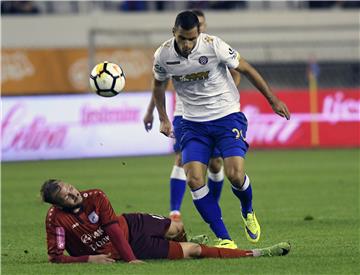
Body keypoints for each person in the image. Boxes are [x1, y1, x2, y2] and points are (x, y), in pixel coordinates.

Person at [152, 11, 291, 248]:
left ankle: (247, 210)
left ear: (198, 34)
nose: (187, 44)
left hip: (226, 117)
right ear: (174, 32)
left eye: (192, 39)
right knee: (194, 179)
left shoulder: (213, 45)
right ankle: (224, 238)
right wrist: (163, 118)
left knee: (235, 175)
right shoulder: (162, 54)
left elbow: (245, 68)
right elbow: (158, 84)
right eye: (183, 38)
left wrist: (272, 99)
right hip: (192, 123)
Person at [40, 179, 291, 263]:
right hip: (127, 248)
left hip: (130, 225)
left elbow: (113, 229)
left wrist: (131, 260)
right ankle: (256, 254)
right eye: (67, 195)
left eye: (70, 187)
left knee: (177, 228)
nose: (74, 193)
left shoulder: (95, 196)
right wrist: (91, 258)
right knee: (192, 251)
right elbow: (56, 257)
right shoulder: (56, 219)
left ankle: (181, 239)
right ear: (58, 204)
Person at [143, 10, 241, 222]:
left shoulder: (212, 47)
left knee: (215, 164)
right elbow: (159, 84)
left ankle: (212, 208)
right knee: (180, 159)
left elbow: (236, 72)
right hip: (185, 113)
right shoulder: (169, 53)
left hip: (216, 113)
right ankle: (175, 212)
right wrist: (154, 112)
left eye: (202, 25)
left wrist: (225, 100)